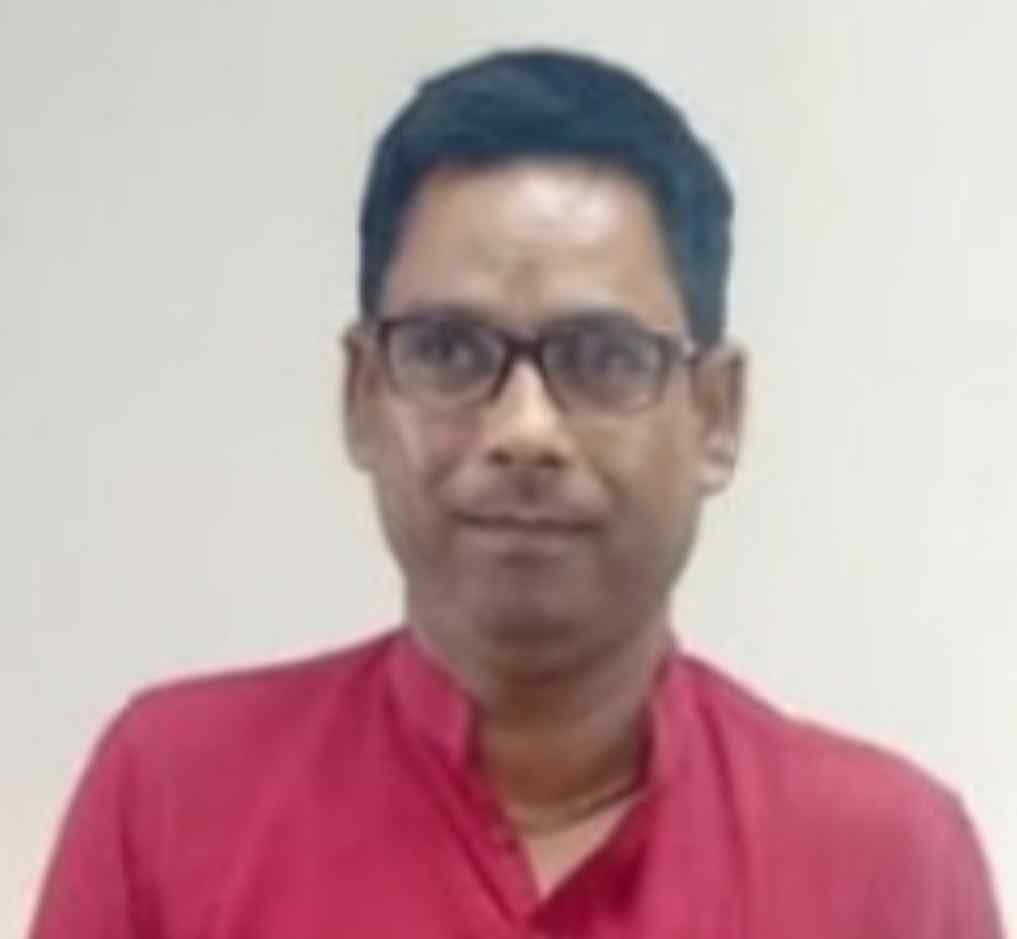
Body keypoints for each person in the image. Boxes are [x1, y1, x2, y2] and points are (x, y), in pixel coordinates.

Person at [30, 48, 1004, 938]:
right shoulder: (170, 798)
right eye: (449, 351)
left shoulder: (889, 862)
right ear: (363, 396)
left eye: (603, 357)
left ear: (715, 414)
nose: (525, 431)